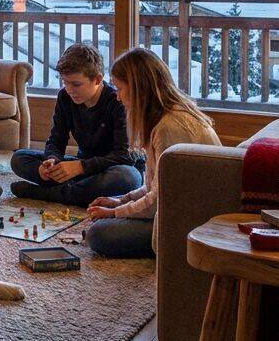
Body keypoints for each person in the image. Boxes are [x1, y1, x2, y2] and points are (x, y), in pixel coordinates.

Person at [85, 47, 221, 259]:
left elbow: (158, 201)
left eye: (120, 89)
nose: (118, 98)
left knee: (99, 234)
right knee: (104, 225)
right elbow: (155, 186)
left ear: (139, 89)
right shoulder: (164, 118)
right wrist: (121, 200)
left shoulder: (169, 128)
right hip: (177, 210)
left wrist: (114, 212)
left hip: (192, 221)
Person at [8, 44, 141, 206]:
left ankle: (47, 193)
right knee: (19, 158)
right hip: (82, 168)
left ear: (98, 79)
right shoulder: (65, 97)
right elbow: (56, 140)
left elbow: (124, 156)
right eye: (65, 82)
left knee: (129, 177)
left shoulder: (118, 101)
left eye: (76, 84)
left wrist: (81, 167)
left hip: (110, 168)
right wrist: (52, 160)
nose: (70, 90)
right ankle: (76, 191)